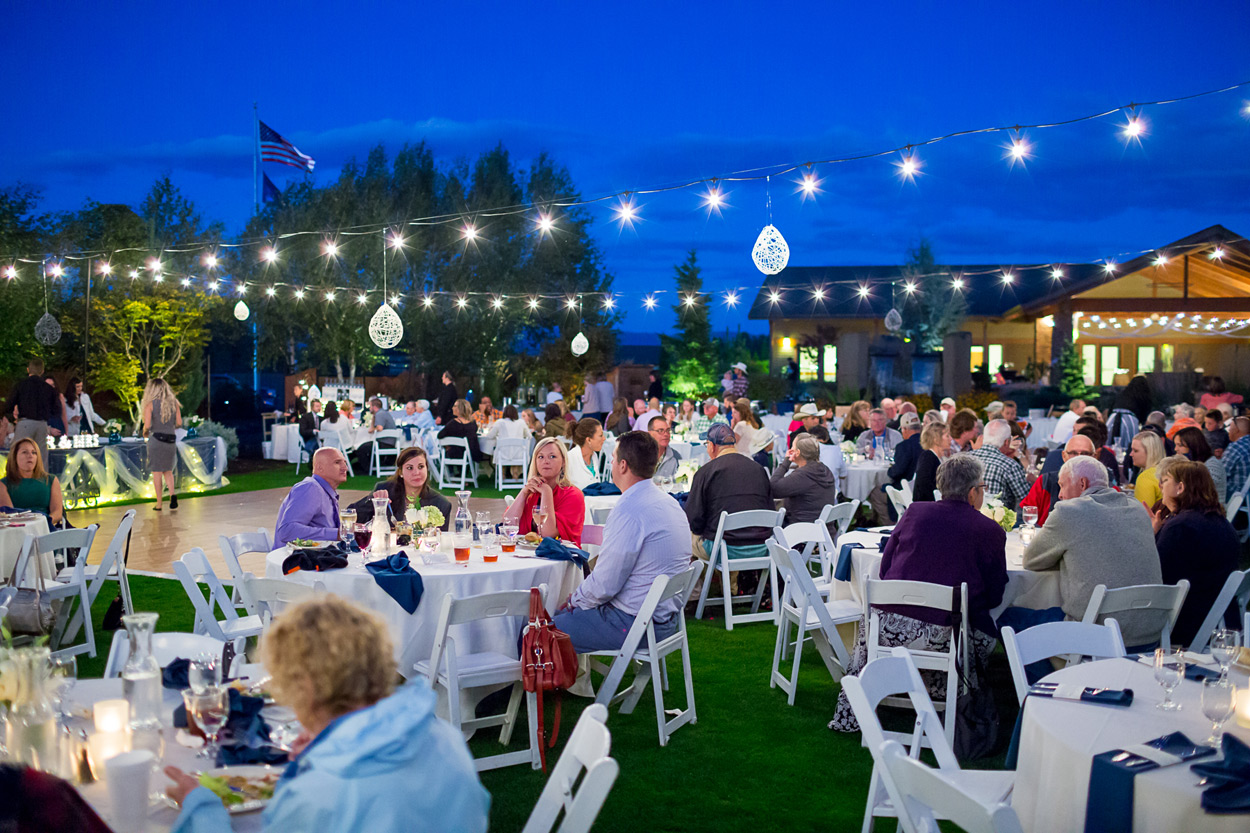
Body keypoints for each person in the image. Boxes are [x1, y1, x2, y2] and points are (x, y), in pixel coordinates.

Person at [164, 596, 489, 833]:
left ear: (302, 688)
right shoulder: (445, 737)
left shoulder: (318, 795)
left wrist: (200, 807)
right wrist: (326, 751)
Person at [830, 455, 1007, 734]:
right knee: (983, 633)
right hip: (946, 636)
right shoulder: (990, 530)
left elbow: (885, 567)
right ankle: (944, 692)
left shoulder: (914, 512)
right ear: (974, 491)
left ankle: (860, 709)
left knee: (876, 620)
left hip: (886, 628)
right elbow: (995, 596)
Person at [1001, 456, 1162, 648]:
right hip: (1150, 634)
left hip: (1096, 635)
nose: (1060, 495)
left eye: (1062, 485)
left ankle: (1048, 676)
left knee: (1006, 617)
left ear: (1082, 483)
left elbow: (1031, 561)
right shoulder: (1136, 508)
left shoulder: (1070, 511)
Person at [553, 431, 692, 653]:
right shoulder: (669, 503)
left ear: (623, 465)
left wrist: (573, 601)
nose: (611, 461)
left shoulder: (630, 509)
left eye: (614, 457)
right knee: (568, 616)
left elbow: (605, 583)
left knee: (540, 631)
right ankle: (571, 683)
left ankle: (537, 687)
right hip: (666, 620)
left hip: (636, 625)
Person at [1150, 460, 1240, 647]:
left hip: (1186, 621)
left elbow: (1156, 577)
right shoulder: (1221, 522)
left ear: (1180, 487)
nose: (1161, 486)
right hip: (1219, 616)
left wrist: (1152, 536)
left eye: (1165, 480)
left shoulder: (1181, 526)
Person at [684, 423, 773, 595]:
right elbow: (769, 510)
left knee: (686, 536)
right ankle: (730, 589)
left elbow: (693, 520)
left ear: (711, 446)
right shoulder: (758, 469)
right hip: (761, 547)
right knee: (721, 533)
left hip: (725, 548)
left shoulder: (706, 472)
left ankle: (694, 595)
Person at [501, 437, 585, 545]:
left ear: (563, 462)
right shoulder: (531, 493)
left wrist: (547, 492)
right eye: (540, 457)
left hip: (560, 558)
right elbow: (508, 524)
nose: (546, 461)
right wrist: (523, 493)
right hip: (526, 555)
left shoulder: (573, 495)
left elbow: (548, 534)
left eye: (552, 456)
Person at [350, 446, 451, 530]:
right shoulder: (386, 490)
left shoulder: (441, 504)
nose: (416, 473)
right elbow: (352, 515)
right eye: (410, 468)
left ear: (427, 469)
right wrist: (373, 501)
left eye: (421, 467)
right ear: (401, 472)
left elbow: (440, 542)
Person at [275, 447, 350, 547]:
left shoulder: (325, 490)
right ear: (319, 467)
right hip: (295, 559)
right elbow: (287, 531)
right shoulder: (311, 488)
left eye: (344, 462)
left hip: (315, 556)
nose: (345, 468)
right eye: (337, 462)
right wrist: (336, 534)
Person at [1018, 434, 1096, 527]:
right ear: (1064, 456)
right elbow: (1023, 515)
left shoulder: (1104, 487)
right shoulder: (1045, 482)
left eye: (1085, 453)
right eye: (1073, 453)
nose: (1078, 458)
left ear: (1094, 457)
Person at [770, 434, 838, 525]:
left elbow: (772, 489)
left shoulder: (803, 475)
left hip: (801, 531)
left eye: (792, 447)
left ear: (797, 452)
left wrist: (786, 462)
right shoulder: (824, 469)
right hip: (824, 530)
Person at [867, 412, 922, 523]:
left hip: (906, 490)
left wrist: (890, 469)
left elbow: (897, 472)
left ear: (905, 429)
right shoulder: (926, 443)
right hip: (922, 490)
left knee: (875, 493)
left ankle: (890, 524)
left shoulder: (904, 446)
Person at [969, 419, 1031, 511]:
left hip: (964, 519)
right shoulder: (1009, 465)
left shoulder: (963, 458)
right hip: (998, 523)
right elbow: (1027, 500)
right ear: (1006, 442)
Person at [6, 358, 60, 463]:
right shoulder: (48, 389)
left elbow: (9, 404)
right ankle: (41, 478)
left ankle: (20, 477)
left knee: (20, 453)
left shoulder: (21, 385)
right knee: (41, 456)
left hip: (25, 423)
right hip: (42, 424)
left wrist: (11, 417)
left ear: (28, 370)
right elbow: (56, 410)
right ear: (42, 371)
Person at [0, 437, 64, 524]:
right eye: (24, 452)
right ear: (14, 457)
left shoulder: (50, 480)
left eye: (34, 453)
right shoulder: (3, 484)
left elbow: (57, 513)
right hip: (19, 529)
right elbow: (9, 515)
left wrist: (43, 523)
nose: (30, 456)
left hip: (46, 526)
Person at [142, 378, 183, 511]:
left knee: (157, 472)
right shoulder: (174, 403)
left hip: (157, 441)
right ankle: (172, 495)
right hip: (170, 440)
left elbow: (147, 425)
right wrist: (169, 426)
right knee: (168, 471)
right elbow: (179, 423)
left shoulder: (150, 405)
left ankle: (159, 503)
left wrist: (145, 432)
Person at [1173, 426, 1226, 504]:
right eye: (1175, 445)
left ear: (1193, 446)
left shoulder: (1212, 466)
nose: (1175, 449)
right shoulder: (1192, 464)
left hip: (1210, 511)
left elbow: (1197, 493)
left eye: (1180, 445)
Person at [438, 399, 487, 467]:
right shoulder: (473, 423)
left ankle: (451, 473)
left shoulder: (453, 423)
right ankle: (462, 472)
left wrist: (448, 445)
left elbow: (440, 435)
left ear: (460, 409)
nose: (452, 408)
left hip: (457, 454)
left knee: (446, 451)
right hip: (472, 453)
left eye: (455, 406)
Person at [911, 421, 950, 502]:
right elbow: (923, 484)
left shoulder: (938, 457)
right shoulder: (928, 457)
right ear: (936, 440)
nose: (950, 439)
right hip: (927, 507)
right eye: (947, 436)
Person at [1128, 430, 1166, 509]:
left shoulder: (1145, 478)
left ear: (1150, 452)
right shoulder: (1169, 470)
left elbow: (1143, 514)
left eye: (1135, 451)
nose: (1131, 454)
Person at [731, 398, 773, 467]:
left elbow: (731, 443)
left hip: (750, 457)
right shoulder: (750, 421)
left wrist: (732, 426)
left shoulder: (742, 424)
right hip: (757, 455)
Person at [566, 418, 606, 490]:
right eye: (600, 435)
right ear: (589, 440)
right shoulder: (569, 459)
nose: (604, 438)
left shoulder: (594, 457)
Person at [1222, 415, 1250, 502]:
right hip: (1247, 495)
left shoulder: (1235, 447)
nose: (1229, 431)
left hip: (1234, 496)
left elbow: (1221, 474)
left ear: (1236, 431)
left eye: (1230, 428)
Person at [649, 415, 682, 479]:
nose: (666, 434)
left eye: (668, 430)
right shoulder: (639, 456)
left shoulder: (676, 457)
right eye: (660, 431)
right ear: (650, 433)